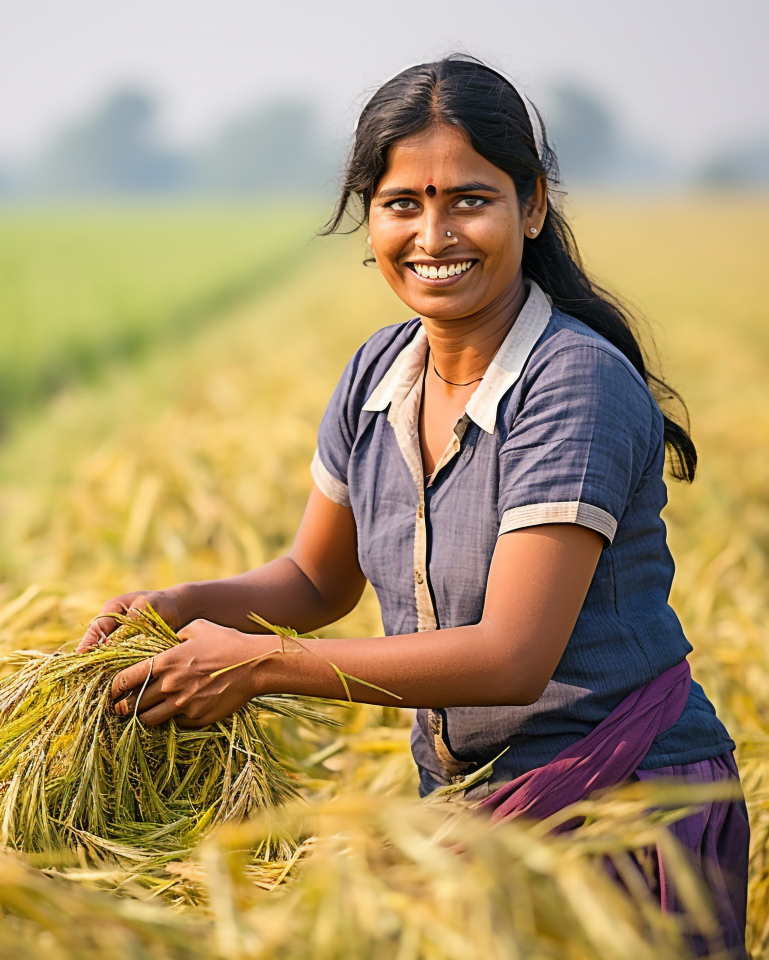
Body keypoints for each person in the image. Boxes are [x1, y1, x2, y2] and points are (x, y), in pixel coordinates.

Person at [77, 56, 748, 953]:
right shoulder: (377, 373)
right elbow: (315, 580)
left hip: (624, 808)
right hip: (472, 818)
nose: (433, 234)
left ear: (533, 206)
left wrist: (262, 666)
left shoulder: (570, 383)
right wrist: (179, 607)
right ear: (370, 216)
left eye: (470, 199)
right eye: (402, 204)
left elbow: (514, 655)